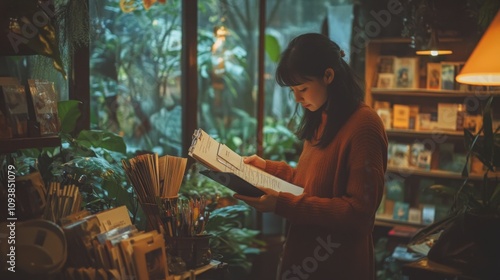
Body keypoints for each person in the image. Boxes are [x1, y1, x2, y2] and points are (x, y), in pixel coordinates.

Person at [234, 33, 388, 280]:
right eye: (293, 90)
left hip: (337, 265)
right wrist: (265, 167)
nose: (297, 97)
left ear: (328, 76)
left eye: (303, 88)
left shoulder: (364, 126)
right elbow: (309, 184)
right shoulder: (321, 118)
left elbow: (359, 214)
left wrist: (281, 204)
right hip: (302, 258)